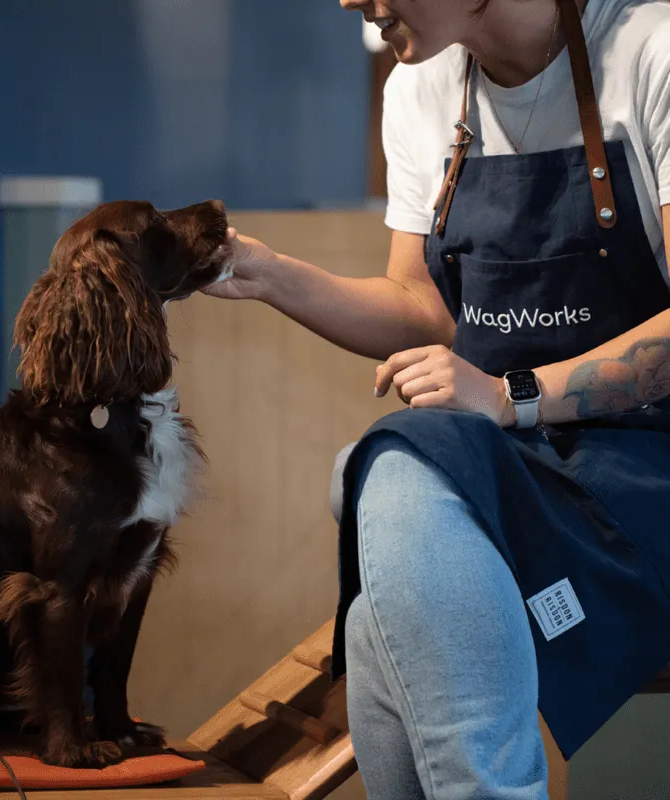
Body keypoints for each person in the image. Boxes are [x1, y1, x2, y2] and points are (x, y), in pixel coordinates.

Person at [203, 0, 670, 797]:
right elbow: (423, 309)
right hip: (511, 454)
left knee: (380, 564)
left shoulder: (651, 49)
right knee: (391, 478)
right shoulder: (419, 89)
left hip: (646, 457)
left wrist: (508, 395)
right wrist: (274, 277)